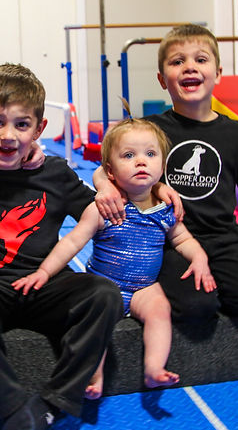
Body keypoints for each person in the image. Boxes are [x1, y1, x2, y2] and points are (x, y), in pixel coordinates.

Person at [0, 63, 123, 430]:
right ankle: (12, 404)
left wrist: (119, 188)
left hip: (44, 282)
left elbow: (95, 210)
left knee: (104, 293)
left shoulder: (53, 171)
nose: (8, 136)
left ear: (39, 130)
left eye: (22, 125)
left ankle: (53, 404)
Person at [94, 24, 238, 334]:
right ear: (162, 79)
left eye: (200, 59)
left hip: (223, 239)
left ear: (218, 73)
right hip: (169, 240)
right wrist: (104, 186)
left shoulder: (236, 134)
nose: (189, 67)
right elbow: (106, 168)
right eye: (177, 61)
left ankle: (220, 283)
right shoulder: (149, 130)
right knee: (196, 310)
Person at [13, 117, 214, 399]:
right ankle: (94, 375)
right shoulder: (105, 209)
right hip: (106, 285)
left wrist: (199, 257)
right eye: (129, 156)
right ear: (110, 171)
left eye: (150, 154)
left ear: (163, 166)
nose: (141, 162)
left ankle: (154, 367)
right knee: (94, 321)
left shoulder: (165, 208)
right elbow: (71, 241)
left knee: (160, 310)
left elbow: (181, 238)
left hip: (144, 287)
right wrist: (44, 272)